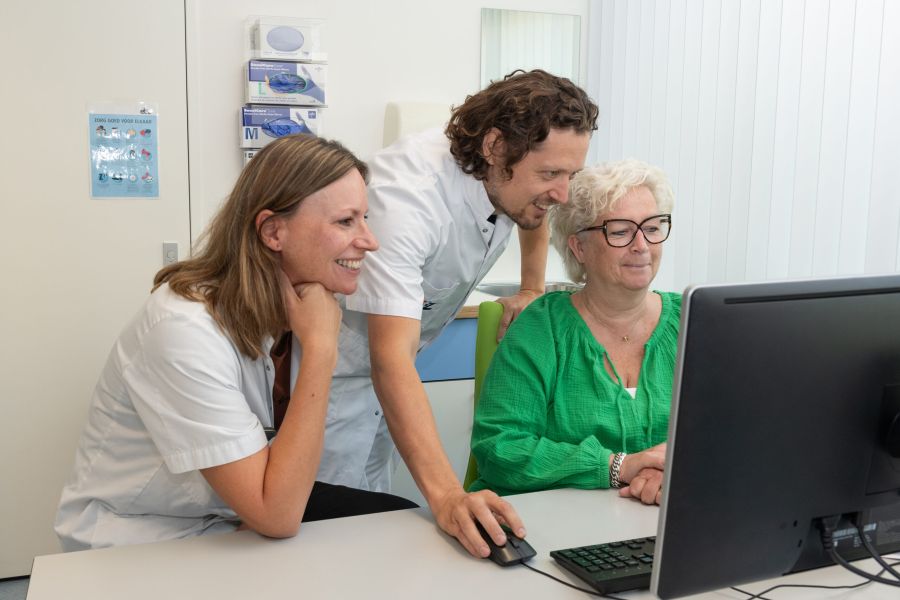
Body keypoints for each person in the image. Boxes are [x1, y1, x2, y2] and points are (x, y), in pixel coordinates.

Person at [55, 135, 416, 551]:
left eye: (364, 218)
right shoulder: (183, 330)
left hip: (232, 515)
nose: (370, 241)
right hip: (142, 538)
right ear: (273, 231)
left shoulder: (300, 304)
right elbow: (278, 516)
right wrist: (321, 349)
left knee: (397, 521)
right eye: (346, 222)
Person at [302, 70, 598, 558]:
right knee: (321, 536)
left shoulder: (507, 182)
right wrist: (447, 497)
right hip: (326, 381)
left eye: (571, 175)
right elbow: (389, 361)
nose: (562, 193)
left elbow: (536, 212)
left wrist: (531, 286)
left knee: (368, 525)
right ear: (495, 147)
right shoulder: (407, 203)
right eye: (549, 174)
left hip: (385, 378)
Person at [469, 159, 679, 506]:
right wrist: (617, 466)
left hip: (658, 521)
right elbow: (500, 448)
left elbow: (735, 425)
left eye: (653, 228)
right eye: (620, 231)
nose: (642, 245)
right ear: (579, 247)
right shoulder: (541, 329)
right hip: (546, 521)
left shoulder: (690, 321)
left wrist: (668, 467)